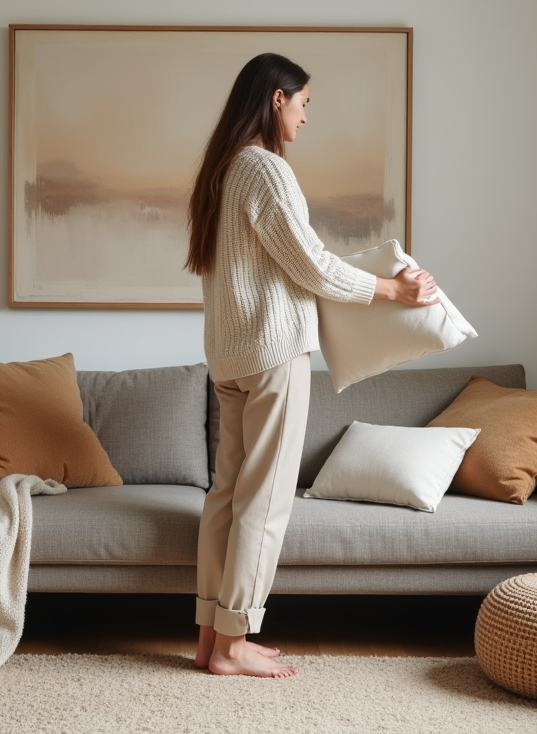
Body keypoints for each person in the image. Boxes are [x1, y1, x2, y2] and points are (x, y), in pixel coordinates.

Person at [185, 53, 440, 679]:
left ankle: (210, 636)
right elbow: (312, 264)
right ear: (277, 99)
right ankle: (236, 642)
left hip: (229, 356)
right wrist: (394, 292)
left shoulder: (221, 172)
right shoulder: (265, 169)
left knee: (227, 495)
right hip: (272, 356)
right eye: (303, 104)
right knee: (266, 500)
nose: (306, 117)